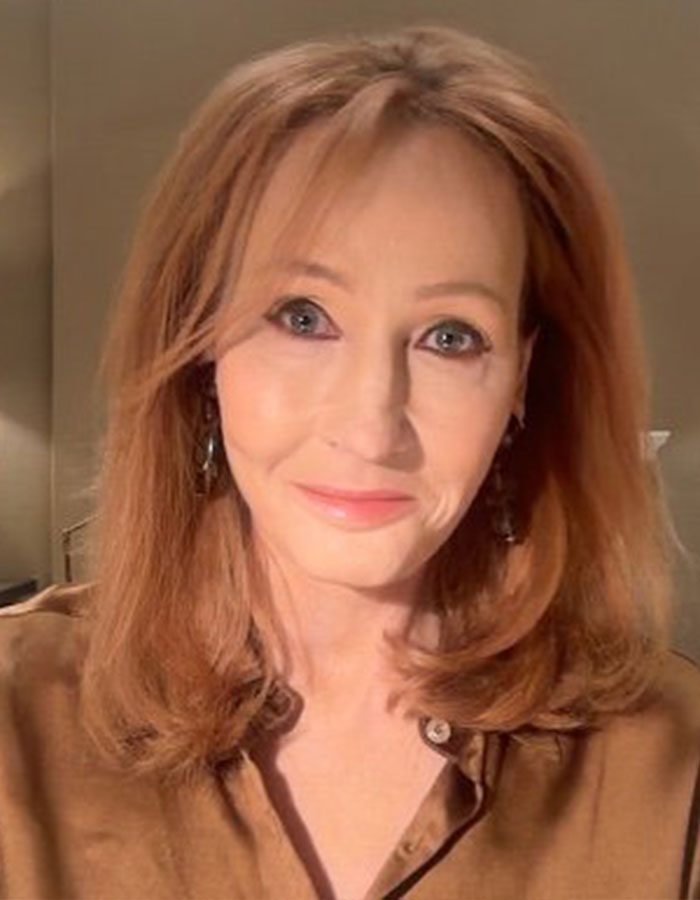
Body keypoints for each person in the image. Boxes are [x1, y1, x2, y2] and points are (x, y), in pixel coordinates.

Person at [1, 23, 698, 900]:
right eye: (303, 317)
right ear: (202, 343)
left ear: (522, 378)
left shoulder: (671, 774)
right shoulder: (16, 721)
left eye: (450, 337)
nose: (372, 427)